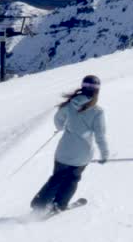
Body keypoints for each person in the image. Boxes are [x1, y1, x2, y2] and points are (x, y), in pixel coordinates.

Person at [31, 75, 109, 215]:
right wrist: (104, 154)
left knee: (57, 178)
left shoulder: (70, 105)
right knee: (72, 179)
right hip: (83, 154)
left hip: (64, 151)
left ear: (82, 87)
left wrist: (61, 127)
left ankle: (40, 204)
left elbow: (58, 121)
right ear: (97, 91)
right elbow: (100, 136)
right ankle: (59, 204)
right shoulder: (98, 111)